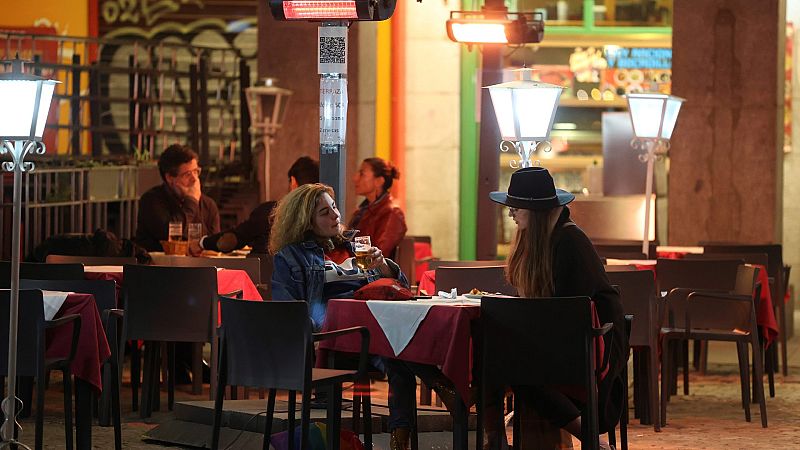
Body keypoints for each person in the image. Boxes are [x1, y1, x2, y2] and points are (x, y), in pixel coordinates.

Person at [486, 166, 626, 450]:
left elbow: (570, 313)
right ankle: (495, 440)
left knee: (509, 364)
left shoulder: (570, 242)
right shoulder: (544, 239)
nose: (510, 212)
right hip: (564, 338)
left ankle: (590, 439)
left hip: (593, 345)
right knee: (490, 356)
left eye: (516, 207)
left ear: (535, 211)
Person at [270, 182, 407, 329]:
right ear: (306, 223)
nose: (335, 215)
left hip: (376, 326)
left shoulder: (356, 249)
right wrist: (316, 334)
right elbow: (287, 313)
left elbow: (404, 292)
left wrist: (384, 266)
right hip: (333, 333)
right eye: (324, 212)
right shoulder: (292, 257)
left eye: (334, 207)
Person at [189, 156, 319, 255]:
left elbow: (235, 238)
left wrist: (202, 243)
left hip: (269, 287)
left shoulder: (272, 213)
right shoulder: (324, 218)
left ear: (293, 182)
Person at [135, 144, 220, 252]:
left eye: (196, 171)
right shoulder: (151, 200)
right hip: (159, 266)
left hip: (199, 266)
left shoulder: (208, 205)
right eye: (187, 174)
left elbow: (214, 246)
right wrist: (192, 201)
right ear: (170, 178)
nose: (194, 179)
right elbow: (171, 235)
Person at [349, 157, 407, 259]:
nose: (355, 178)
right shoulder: (362, 211)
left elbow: (378, 254)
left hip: (371, 272)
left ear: (379, 181)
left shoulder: (392, 213)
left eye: (362, 174)